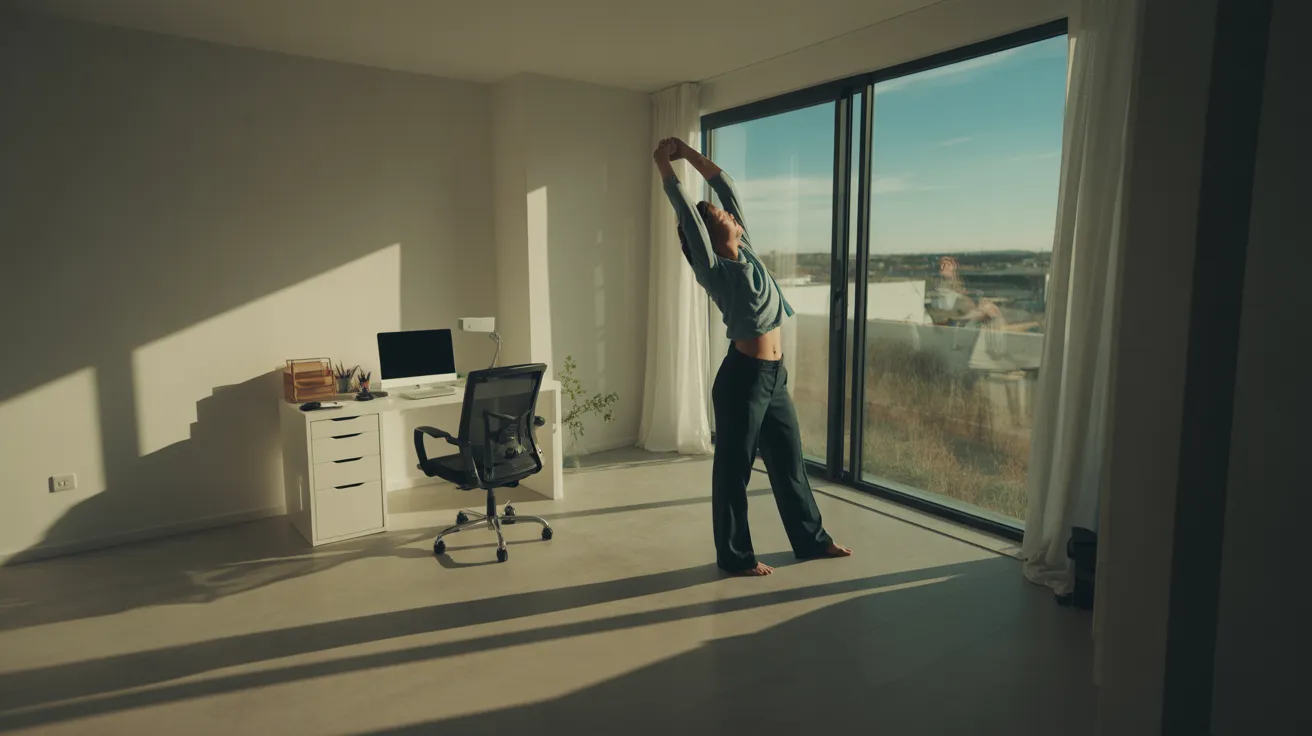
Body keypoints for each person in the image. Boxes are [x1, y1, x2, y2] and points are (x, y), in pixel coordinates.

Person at [652, 137, 852, 577]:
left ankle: (811, 541)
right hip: (743, 379)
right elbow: (687, 212)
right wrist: (664, 166)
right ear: (706, 236)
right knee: (733, 473)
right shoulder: (714, 268)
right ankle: (735, 557)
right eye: (719, 217)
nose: (726, 214)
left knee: (789, 462)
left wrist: (690, 154)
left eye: (725, 213)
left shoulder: (748, 252)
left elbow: (727, 188)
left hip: (774, 376)